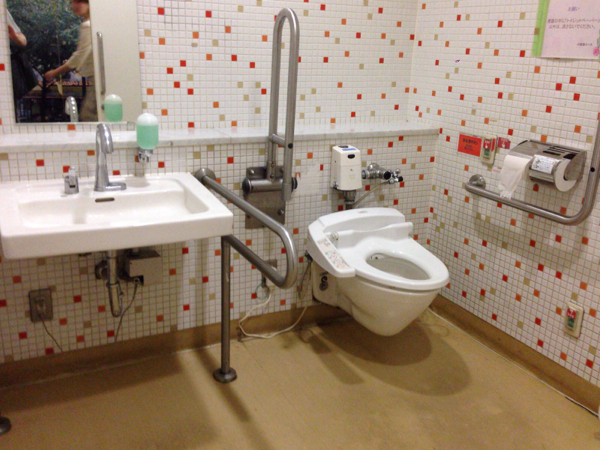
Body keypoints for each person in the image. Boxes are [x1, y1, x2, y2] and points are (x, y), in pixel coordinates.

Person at [44, 0, 97, 121]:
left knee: (88, 116)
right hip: (97, 79)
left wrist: (55, 72)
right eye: (72, 2)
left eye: (79, 2)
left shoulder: (88, 26)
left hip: (97, 79)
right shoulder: (93, 24)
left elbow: (79, 56)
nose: (74, 5)